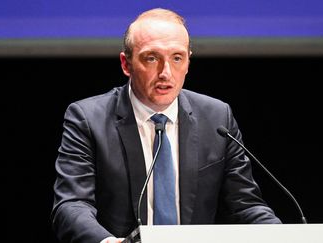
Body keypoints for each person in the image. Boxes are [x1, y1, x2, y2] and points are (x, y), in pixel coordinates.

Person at [51, 8, 281, 243]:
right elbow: (72, 205)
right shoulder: (88, 119)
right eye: (152, 58)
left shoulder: (217, 118)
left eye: (177, 58)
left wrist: (283, 236)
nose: (166, 72)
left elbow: (245, 206)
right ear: (126, 64)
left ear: (188, 62)